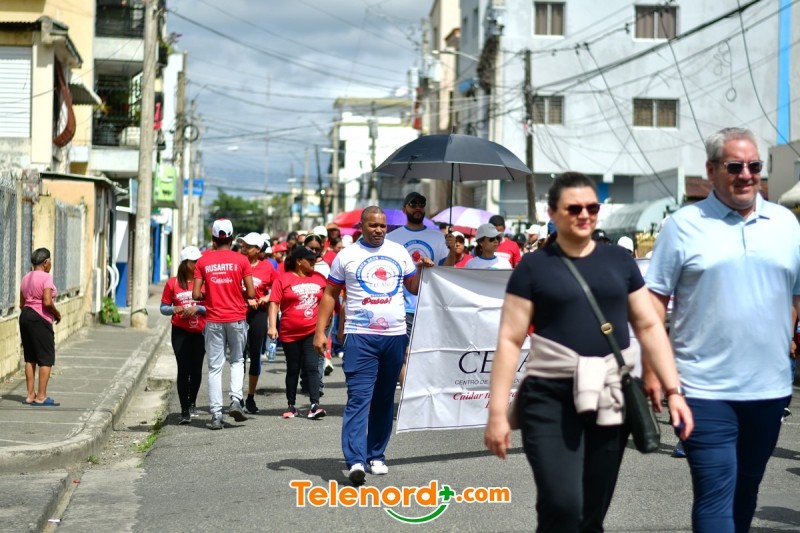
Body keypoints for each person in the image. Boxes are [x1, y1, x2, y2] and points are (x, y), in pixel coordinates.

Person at [484, 172, 692, 533]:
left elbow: (648, 325)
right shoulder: (533, 266)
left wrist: (674, 391)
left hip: (609, 394)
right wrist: (497, 413)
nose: (584, 214)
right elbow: (509, 340)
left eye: (592, 208)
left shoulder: (620, 261)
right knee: (562, 504)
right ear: (553, 212)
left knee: (592, 514)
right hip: (548, 396)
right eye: (574, 208)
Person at [644, 127, 800, 533]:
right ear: (712, 170)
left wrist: (784, 337)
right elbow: (653, 303)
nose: (746, 174)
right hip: (703, 389)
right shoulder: (683, 225)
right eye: (735, 166)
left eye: (754, 166)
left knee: (746, 490)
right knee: (716, 490)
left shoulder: (786, 224)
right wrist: (653, 369)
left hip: (769, 389)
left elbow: (795, 293)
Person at [313, 206, 432, 486]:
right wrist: (320, 332)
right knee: (358, 398)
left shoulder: (399, 252)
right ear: (362, 226)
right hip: (360, 336)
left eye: (382, 226)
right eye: (373, 225)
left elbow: (413, 287)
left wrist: (423, 271)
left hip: (394, 336)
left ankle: (376, 454)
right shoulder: (347, 255)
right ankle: (355, 460)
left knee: (384, 397)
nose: (378, 230)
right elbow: (330, 294)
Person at [193, 219, 257, 430]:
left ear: (213, 239)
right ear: (232, 239)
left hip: (213, 319)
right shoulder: (242, 260)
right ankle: (236, 400)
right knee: (237, 360)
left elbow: (195, 294)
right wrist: (236, 292)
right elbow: (251, 293)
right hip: (237, 317)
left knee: (214, 367)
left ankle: (215, 415)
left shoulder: (203, 261)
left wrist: (211, 293)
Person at [386, 192, 448, 384]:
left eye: (422, 204)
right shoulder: (392, 238)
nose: (418, 207)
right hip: (402, 307)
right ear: (405, 209)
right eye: (413, 204)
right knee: (404, 356)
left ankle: (423, 395)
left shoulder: (437, 237)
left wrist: (453, 251)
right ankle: (408, 397)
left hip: (431, 307)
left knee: (429, 356)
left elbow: (447, 270)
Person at [269, 246, 331, 420]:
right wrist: (272, 326)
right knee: (293, 368)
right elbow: (274, 303)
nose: (313, 263)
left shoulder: (319, 278)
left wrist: (326, 325)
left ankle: (314, 405)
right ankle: (291, 405)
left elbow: (328, 300)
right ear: (298, 261)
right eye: (309, 260)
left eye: (314, 260)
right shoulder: (283, 279)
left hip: (312, 330)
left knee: (312, 366)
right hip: (290, 332)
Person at [161, 246, 206, 423]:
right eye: (194, 262)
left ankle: (192, 401)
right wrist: (174, 309)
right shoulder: (172, 283)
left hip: (200, 331)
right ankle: (184, 409)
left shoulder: (204, 282)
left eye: (198, 261)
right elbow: (163, 308)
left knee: (196, 369)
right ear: (185, 263)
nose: (197, 264)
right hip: (180, 331)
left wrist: (198, 308)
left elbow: (212, 307)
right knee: (183, 368)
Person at [239, 232, 277, 414]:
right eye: (243, 245)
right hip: (238, 313)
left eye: (248, 246)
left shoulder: (267, 267)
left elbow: (278, 289)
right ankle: (236, 397)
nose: (244, 249)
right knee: (238, 357)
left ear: (258, 249)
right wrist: (247, 299)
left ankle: (250, 397)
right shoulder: (237, 263)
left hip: (258, 315)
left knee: (255, 355)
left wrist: (266, 298)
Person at [19, 248, 61, 406]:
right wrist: (57, 314)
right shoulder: (46, 277)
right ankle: (41, 396)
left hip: (25, 317)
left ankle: (30, 395)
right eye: (50, 261)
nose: (51, 264)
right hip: (40, 318)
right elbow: (47, 302)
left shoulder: (25, 278)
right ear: (45, 262)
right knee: (46, 357)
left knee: (30, 357)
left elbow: (22, 304)